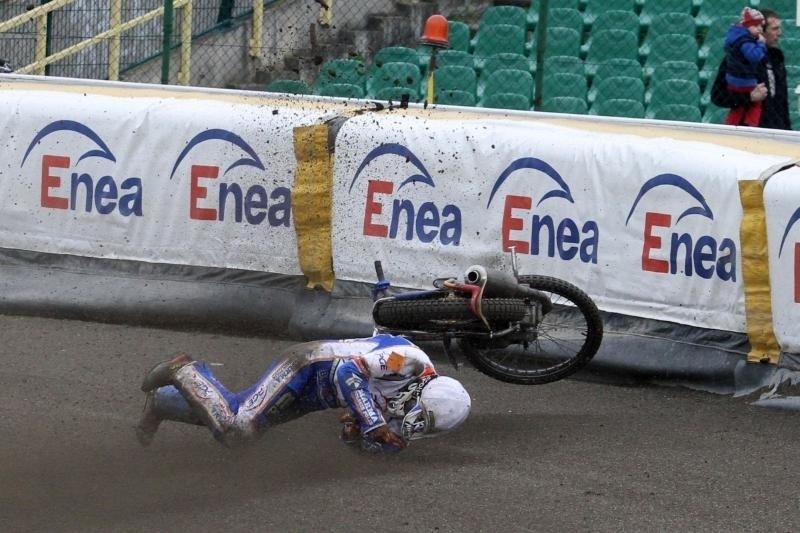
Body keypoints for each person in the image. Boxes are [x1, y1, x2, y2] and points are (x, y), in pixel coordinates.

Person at [134, 334, 471, 453]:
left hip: (316, 396)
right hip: (308, 364)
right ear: (425, 396)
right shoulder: (409, 361)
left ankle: (164, 402)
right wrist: (369, 420)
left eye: (427, 427)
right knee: (237, 430)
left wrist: (355, 435)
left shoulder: (412, 415)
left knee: (238, 421)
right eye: (423, 418)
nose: (415, 427)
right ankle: (185, 369)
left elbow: (367, 443)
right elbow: (347, 371)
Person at [711, 8, 792, 129]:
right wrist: (749, 97)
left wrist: (787, 130)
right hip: (749, 127)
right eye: (775, 29)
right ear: (760, 32)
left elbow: (782, 100)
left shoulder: (776, 57)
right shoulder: (736, 58)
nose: (780, 33)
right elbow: (718, 97)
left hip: (777, 127)